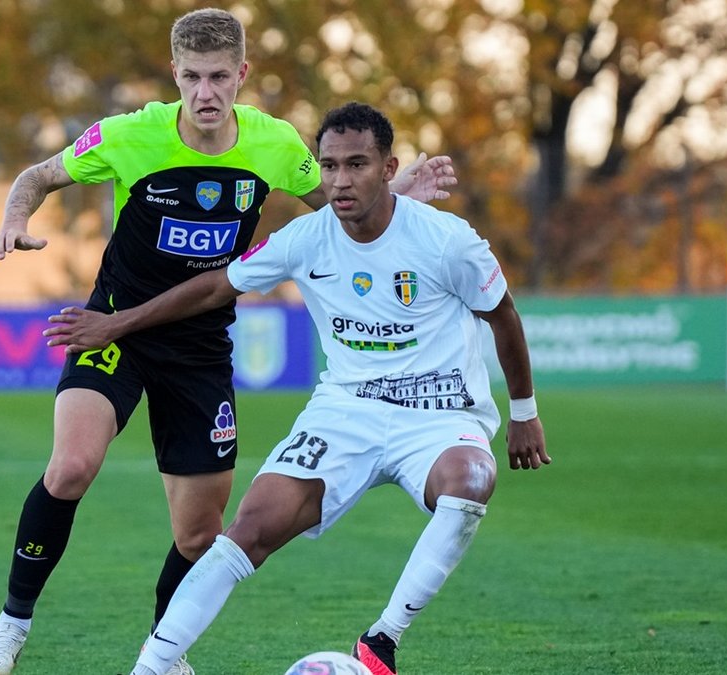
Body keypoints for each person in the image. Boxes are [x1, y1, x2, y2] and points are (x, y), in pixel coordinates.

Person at [0, 9, 457, 675]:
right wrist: (12, 220)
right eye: (193, 77)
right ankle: (11, 623)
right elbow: (37, 177)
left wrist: (396, 193)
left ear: (242, 75)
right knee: (72, 466)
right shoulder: (130, 135)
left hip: (200, 348)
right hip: (114, 327)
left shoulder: (274, 143)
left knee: (200, 535)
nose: (206, 92)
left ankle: (162, 651)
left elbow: (342, 210)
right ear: (175, 74)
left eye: (220, 77)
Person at [45, 102, 551, 675]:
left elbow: (503, 315)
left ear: (389, 169)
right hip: (345, 411)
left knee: (470, 481)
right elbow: (214, 287)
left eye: (357, 164)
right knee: (248, 530)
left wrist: (524, 413)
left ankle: (382, 638)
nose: (340, 180)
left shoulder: (445, 240)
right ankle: (152, 668)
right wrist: (117, 323)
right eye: (329, 166)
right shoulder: (305, 238)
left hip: (438, 413)